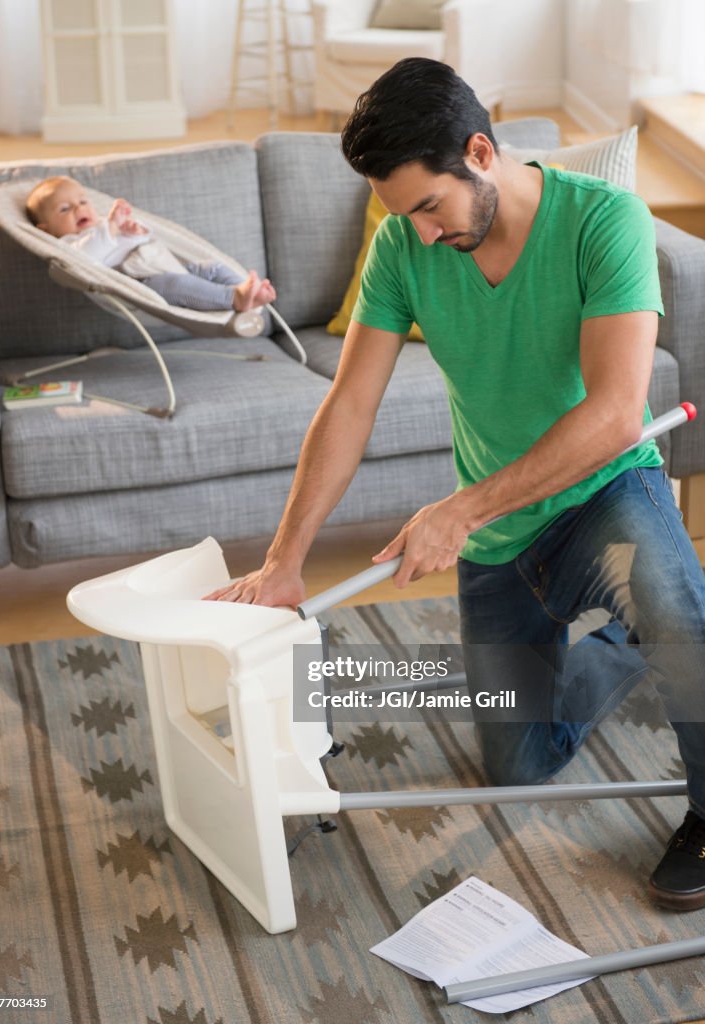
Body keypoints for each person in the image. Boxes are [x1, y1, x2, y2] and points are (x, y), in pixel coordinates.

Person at [206, 58, 705, 911]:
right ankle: (625, 648)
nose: (422, 233)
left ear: (480, 152)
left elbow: (619, 413)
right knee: (517, 763)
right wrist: (285, 561)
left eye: (429, 206)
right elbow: (348, 406)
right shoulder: (403, 245)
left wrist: (458, 509)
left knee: (676, 611)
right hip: (502, 537)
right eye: (406, 215)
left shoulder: (603, 220)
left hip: (602, 497)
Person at [25, 175, 276, 312]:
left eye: (82, 201)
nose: (78, 209)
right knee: (179, 284)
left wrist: (134, 232)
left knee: (211, 266)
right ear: (45, 229)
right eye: (64, 209)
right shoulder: (69, 243)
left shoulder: (104, 224)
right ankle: (232, 298)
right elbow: (87, 257)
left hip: (166, 263)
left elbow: (147, 240)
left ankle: (245, 290)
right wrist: (111, 227)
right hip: (144, 284)